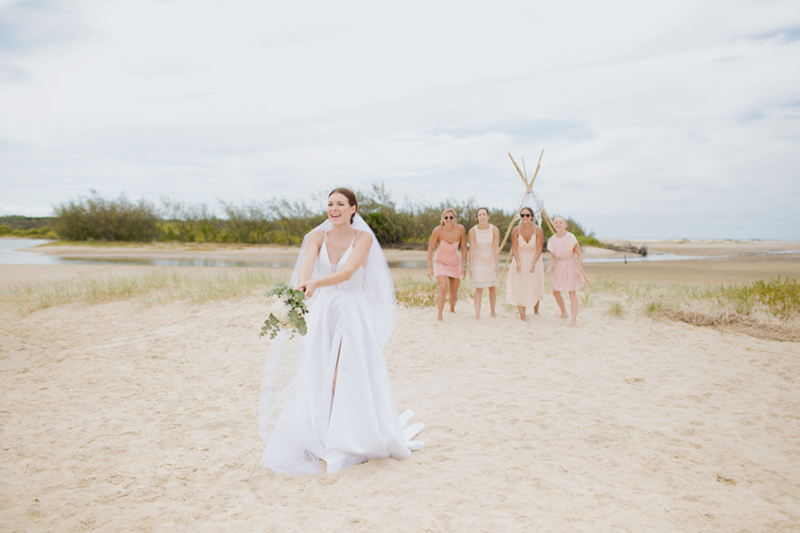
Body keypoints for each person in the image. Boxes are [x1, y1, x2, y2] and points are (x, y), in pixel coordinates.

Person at [258, 188, 424, 475]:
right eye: (330, 204)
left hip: (353, 312)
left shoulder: (364, 238)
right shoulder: (315, 238)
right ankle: (323, 433)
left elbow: (348, 273)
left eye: (340, 204)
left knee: (345, 374)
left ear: (353, 209)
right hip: (324, 314)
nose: (334, 209)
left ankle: (350, 435)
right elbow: (307, 268)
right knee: (321, 372)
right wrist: (301, 286)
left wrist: (317, 284)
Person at [426, 208, 467, 321]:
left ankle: (452, 308)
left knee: (453, 294)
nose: (449, 220)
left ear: (455, 219)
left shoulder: (461, 229)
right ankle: (440, 315)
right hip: (440, 262)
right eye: (446, 217)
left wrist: (464, 266)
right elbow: (430, 248)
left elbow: (463, 248)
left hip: (455, 262)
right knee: (443, 286)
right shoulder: (438, 230)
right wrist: (429, 267)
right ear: (443, 219)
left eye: (451, 217)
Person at [505, 207, 545, 320]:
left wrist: (533, 262)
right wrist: (518, 262)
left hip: (535, 260)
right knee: (520, 286)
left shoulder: (538, 230)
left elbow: (539, 249)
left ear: (532, 216)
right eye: (522, 215)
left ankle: (536, 311)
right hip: (520, 259)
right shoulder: (515, 230)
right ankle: (522, 316)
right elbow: (514, 248)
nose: (525, 217)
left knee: (535, 284)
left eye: (527, 215)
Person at [546, 215, 584, 327]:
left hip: (571, 265)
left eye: (560, 222)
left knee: (572, 293)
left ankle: (573, 321)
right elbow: (553, 257)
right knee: (555, 292)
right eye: (556, 222)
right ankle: (564, 313)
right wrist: (549, 268)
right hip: (560, 265)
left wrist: (577, 268)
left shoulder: (571, 237)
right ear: (554, 224)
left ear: (565, 225)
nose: (558, 224)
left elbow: (579, 254)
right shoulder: (552, 240)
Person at [468, 207, 500, 319]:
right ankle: (477, 314)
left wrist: (496, 263)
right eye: (480, 215)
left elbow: (496, 248)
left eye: (484, 214)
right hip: (478, 261)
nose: (482, 217)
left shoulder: (494, 229)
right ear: (477, 218)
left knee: (492, 286)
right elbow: (472, 250)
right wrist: (471, 266)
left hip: (490, 260)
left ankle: (492, 311)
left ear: (488, 216)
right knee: (479, 288)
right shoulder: (472, 231)